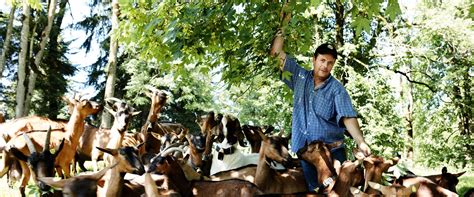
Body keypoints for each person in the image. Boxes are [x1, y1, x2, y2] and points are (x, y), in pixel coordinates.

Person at [270, 30, 371, 192]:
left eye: (330, 62)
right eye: (322, 60)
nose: (325, 65)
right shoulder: (299, 77)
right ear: (314, 60)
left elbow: (348, 117)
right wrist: (285, 20)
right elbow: (276, 54)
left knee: (337, 193)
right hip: (305, 153)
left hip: (331, 154)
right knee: (314, 191)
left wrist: (361, 141)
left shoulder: (337, 90)